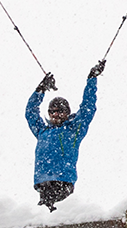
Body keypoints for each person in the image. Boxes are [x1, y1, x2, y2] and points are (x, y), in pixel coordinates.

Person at [27, 61, 104, 211]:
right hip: (43, 183)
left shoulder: (74, 130)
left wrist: (92, 79)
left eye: (60, 111)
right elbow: (30, 112)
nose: (55, 114)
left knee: (61, 216)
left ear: (67, 113)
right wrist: (41, 89)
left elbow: (88, 107)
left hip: (63, 182)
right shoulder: (42, 131)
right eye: (52, 111)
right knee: (44, 220)